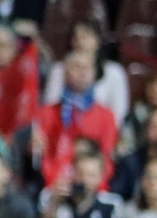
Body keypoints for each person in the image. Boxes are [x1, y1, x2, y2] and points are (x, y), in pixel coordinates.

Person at [34, 50, 118, 190]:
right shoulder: (47, 113)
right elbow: (43, 157)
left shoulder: (106, 115)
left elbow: (107, 158)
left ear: (94, 74)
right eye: (77, 67)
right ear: (65, 73)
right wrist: (54, 181)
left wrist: (91, 183)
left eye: (87, 68)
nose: (82, 72)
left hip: (94, 187)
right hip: (54, 184)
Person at [42, 20, 130, 124]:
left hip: (99, 130)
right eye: (76, 38)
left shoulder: (114, 71)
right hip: (62, 128)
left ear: (97, 41)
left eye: (85, 37)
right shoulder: (59, 69)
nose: (80, 42)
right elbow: (50, 103)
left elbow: (119, 110)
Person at [41, 148, 121, 218]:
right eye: (80, 174)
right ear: (72, 172)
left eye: (91, 175)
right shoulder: (55, 198)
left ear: (100, 177)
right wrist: (54, 203)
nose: (85, 180)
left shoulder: (111, 204)